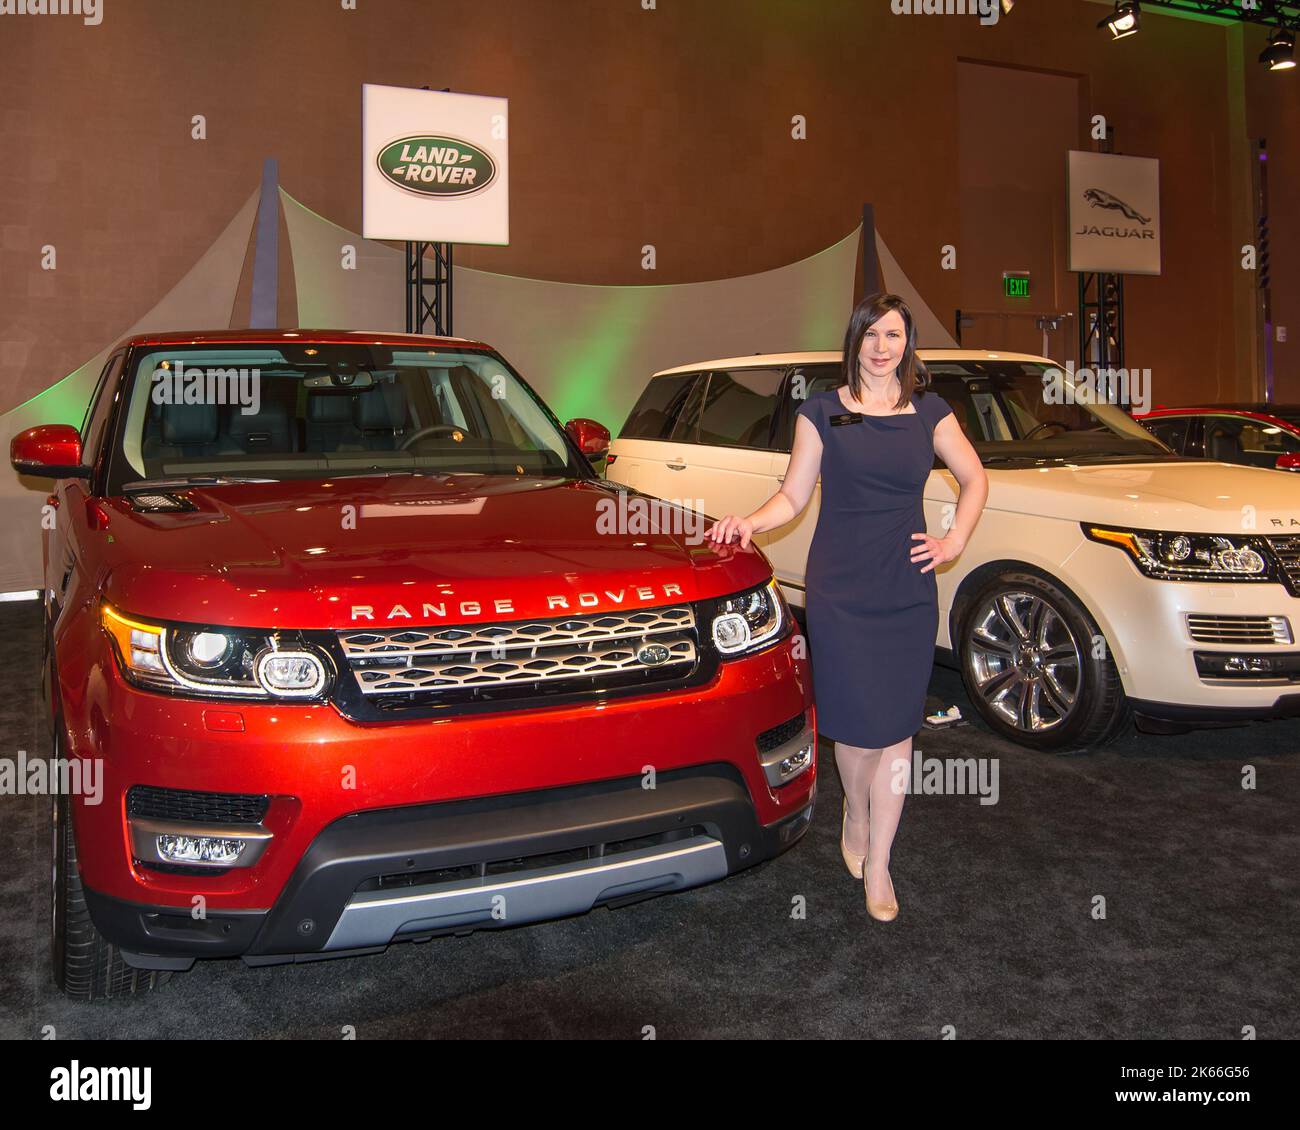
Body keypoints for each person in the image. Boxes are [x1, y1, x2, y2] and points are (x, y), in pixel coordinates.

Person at [705, 293, 988, 920]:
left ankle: (880, 862)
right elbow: (793, 496)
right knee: (857, 737)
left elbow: (976, 478)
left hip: (906, 589)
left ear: (907, 343)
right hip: (842, 590)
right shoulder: (823, 412)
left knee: (898, 732)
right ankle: (855, 812)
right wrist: (748, 523)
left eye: (894, 335)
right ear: (855, 341)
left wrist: (952, 543)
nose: (883, 347)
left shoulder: (930, 413)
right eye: (872, 335)